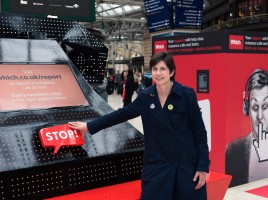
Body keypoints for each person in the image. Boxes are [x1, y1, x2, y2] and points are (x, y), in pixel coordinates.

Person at [69, 51, 210, 200]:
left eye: (163, 69)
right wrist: (89, 126)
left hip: (185, 167)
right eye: (155, 69)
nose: (158, 73)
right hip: (157, 167)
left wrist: (202, 166)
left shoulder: (186, 95)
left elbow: (199, 133)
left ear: (172, 72)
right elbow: (120, 115)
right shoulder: (146, 97)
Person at [225, 69, 268, 187]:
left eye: (265, 106)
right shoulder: (232, 151)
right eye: (255, 107)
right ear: (247, 108)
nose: (259, 116)